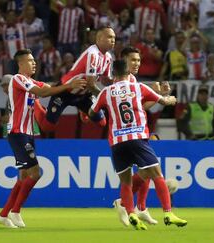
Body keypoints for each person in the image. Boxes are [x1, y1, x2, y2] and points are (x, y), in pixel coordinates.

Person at [89, 60, 187, 230]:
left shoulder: (106, 92)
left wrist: (100, 113)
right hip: (137, 138)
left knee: (126, 182)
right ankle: (168, 213)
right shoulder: (138, 87)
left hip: (117, 142)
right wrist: (171, 98)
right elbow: (163, 102)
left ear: (113, 75)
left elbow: (92, 113)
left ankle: (131, 213)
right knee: (157, 174)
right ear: (129, 74)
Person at [0, 49, 86, 228]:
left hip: (28, 133)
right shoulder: (18, 79)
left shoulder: (31, 81)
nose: (34, 63)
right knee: (35, 173)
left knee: (23, 176)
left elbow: (49, 88)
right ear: (20, 64)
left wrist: (70, 85)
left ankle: (4, 214)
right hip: (18, 132)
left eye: (34, 60)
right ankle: (15, 211)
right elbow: (43, 93)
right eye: (30, 60)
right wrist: (68, 86)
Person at [113, 46, 172, 227]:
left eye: (139, 60)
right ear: (123, 60)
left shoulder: (132, 80)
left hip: (139, 130)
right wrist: (160, 97)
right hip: (127, 134)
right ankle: (126, 204)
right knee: (146, 171)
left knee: (145, 170)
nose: (137, 64)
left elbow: (138, 106)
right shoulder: (119, 82)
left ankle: (140, 207)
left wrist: (158, 95)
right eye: (133, 60)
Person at [34, 26, 115, 132]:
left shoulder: (108, 57)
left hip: (84, 95)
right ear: (99, 38)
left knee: (102, 122)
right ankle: (34, 104)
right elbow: (91, 84)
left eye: (114, 37)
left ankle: (83, 109)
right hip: (65, 91)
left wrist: (119, 82)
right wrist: (106, 98)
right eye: (109, 37)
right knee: (47, 127)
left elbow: (105, 80)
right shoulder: (93, 54)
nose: (113, 40)